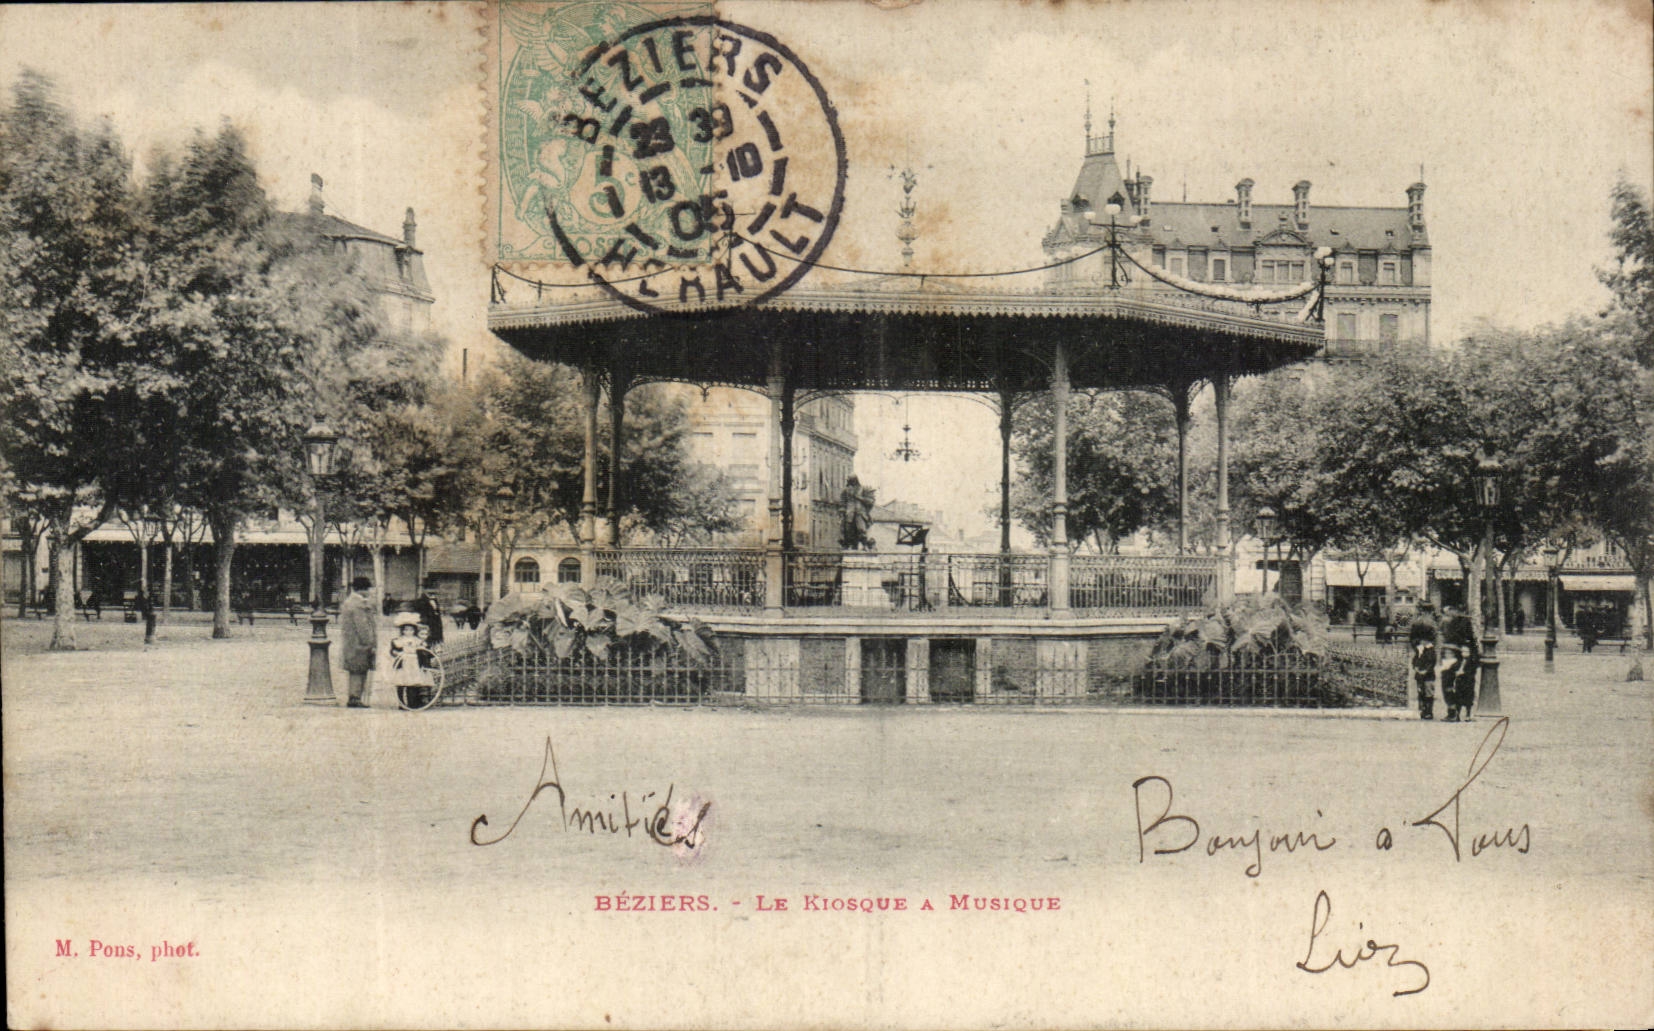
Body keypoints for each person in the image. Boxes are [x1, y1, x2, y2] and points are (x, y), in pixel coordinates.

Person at [339, 576, 378, 709]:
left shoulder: (350, 602)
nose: (369, 592)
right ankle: (355, 697)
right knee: (359, 670)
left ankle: (354, 696)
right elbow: (363, 627)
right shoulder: (358, 604)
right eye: (368, 589)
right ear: (363, 590)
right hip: (359, 644)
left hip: (352, 643)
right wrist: (371, 643)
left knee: (356, 669)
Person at [1438, 602, 1479, 722]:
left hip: (1455, 657)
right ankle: (1465, 714)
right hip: (1465, 658)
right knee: (1465, 686)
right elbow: (1473, 642)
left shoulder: (1454, 622)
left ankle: (1454, 713)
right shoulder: (1466, 622)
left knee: (1451, 685)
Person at [388, 611, 434, 709]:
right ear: (403, 631)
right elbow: (393, 651)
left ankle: (412, 703)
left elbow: (424, 648)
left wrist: (426, 649)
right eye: (406, 630)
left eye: (411, 630)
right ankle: (401, 703)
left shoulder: (417, 640)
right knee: (401, 682)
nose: (408, 632)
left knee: (412, 683)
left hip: (414, 663)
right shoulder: (398, 640)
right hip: (403, 663)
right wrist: (397, 653)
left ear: (414, 630)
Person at [1408, 602, 1438, 720]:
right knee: (1428, 685)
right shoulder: (1432, 622)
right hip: (1428, 651)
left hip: (1419, 651)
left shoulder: (1416, 621)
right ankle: (1428, 711)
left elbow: (1411, 637)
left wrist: (1417, 645)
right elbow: (1436, 638)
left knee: (1421, 685)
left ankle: (1423, 709)